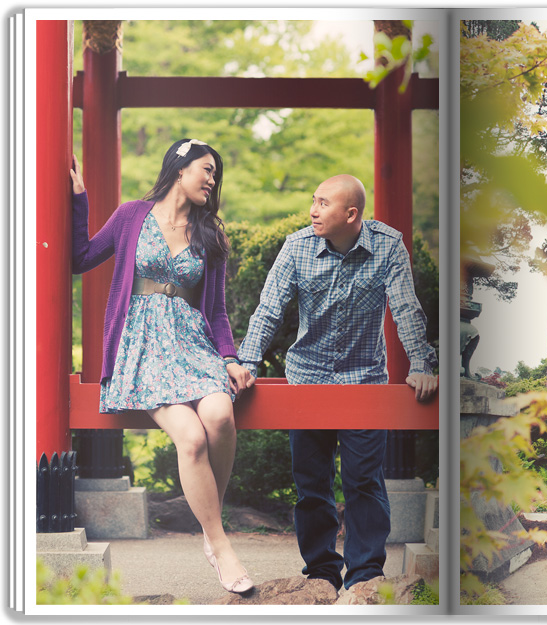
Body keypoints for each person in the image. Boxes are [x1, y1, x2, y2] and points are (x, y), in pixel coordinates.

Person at [70, 139, 255, 594]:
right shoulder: (133, 215)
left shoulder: (212, 234)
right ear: (179, 167)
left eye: (216, 174)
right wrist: (79, 198)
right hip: (142, 349)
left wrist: (230, 356)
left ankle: (211, 512)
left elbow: (216, 311)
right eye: (206, 169)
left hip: (193, 345)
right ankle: (220, 544)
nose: (212, 180)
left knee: (219, 416)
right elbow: (80, 258)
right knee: (191, 439)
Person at [236, 174, 438, 592]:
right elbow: (268, 309)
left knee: (364, 480)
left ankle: (364, 576)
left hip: (363, 380)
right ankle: (322, 574)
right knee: (312, 484)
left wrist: (421, 362)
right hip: (307, 378)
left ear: (351, 214)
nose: (313, 210)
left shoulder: (387, 245)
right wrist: (246, 362)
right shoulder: (297, 246)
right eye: (313, 200)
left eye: (323, 203)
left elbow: (405, 308)